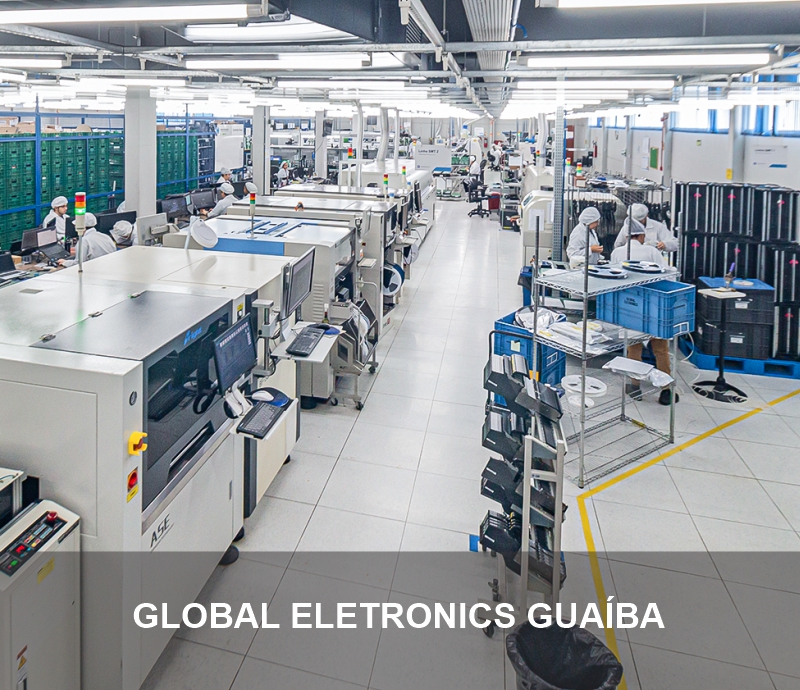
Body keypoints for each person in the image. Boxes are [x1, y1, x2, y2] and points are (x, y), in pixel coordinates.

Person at [613, 220, 677, 406]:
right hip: (653, 307)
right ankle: (666, 390)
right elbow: (668, 276)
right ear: (642, 236)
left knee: (634, 347)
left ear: (626, 236)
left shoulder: (617, 253)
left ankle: (635, 386)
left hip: (630, 307)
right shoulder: (652, 251)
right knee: (661, 349)